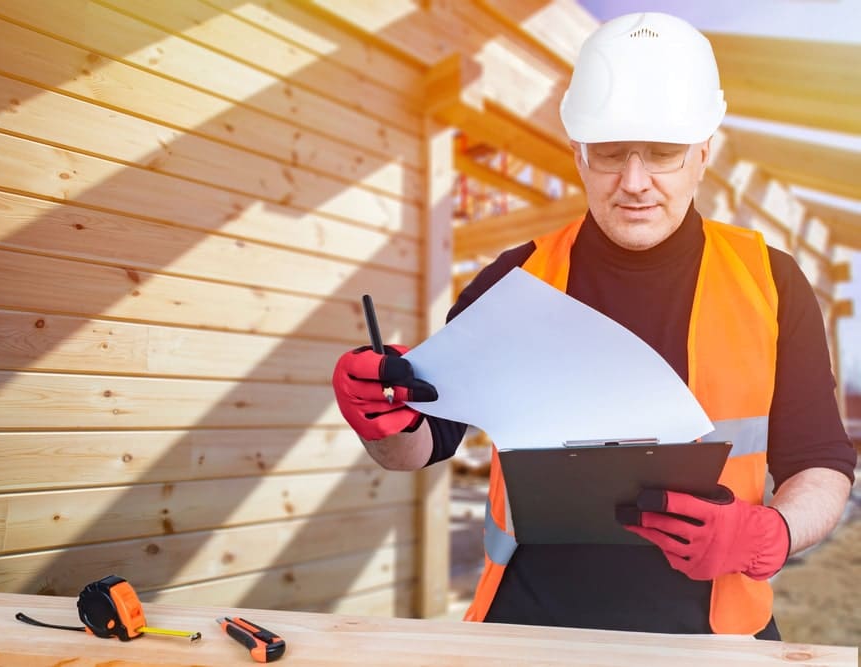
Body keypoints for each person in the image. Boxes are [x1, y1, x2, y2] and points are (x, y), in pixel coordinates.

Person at [331, 11, 857, 639]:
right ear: (579, 153)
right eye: (609, 154)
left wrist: (772, 533)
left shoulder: (769, 282)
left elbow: (821, 464)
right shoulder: (515, 280)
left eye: (662, 153)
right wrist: (383, 417)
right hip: (526, 633)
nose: (634, 183)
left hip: (716, 637)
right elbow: (422, 444)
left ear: (702, 154)